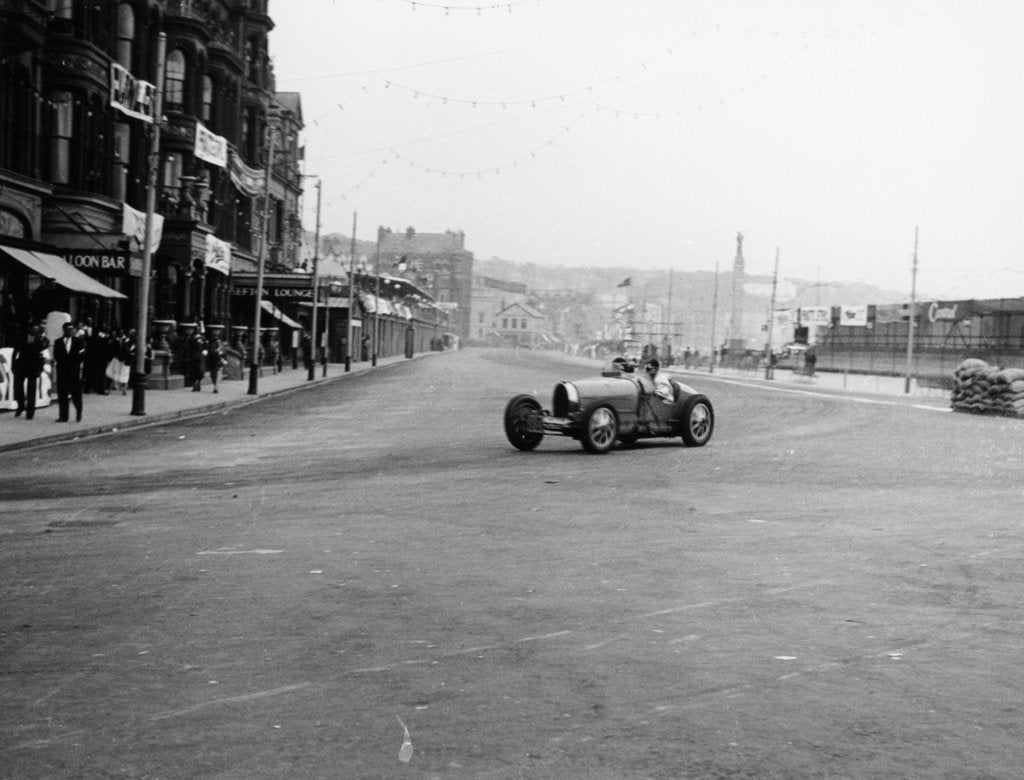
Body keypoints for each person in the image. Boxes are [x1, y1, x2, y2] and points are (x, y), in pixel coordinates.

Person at [12, 323, 49, 420]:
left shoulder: (40, 340)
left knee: (31, 390)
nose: (35, 331)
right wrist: (13, 366)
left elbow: (42, 355)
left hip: (33, 367)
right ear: (29, 330)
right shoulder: (21, 338)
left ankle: (30, 412)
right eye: (34, 329)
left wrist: (40, 369)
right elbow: (15, 352)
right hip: (21, 366)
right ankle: (21, 406)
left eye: (37, 330)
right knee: (18, 388)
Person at [52, 320, 85, 422]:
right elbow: (56, 355)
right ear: (64, 330)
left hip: (74, 371)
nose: (71, 331)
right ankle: (63, 416)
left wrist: (74, 363)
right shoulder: (57, 342)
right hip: (62, 371)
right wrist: (64, 363)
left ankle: (78, 412)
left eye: (72, 329)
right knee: (62, 395)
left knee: (76, 394)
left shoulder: (78, 341)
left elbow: (82, 355)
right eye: (68, 329)